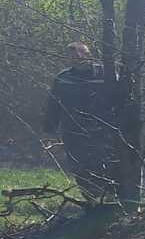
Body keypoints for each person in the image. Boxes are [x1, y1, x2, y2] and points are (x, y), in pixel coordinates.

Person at [42, 42, 120, 208]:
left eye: (81, 54)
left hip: (103, 130)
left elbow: (120, 99)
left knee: (105, 163)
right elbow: (54, 106)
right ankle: (91, 200)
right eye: (72, 56)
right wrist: (49, 131)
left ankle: (111, 199)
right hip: (73, 131)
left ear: (89, 55)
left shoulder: (105, 73)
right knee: (79, 166)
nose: (77, 58)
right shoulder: (63, 78)